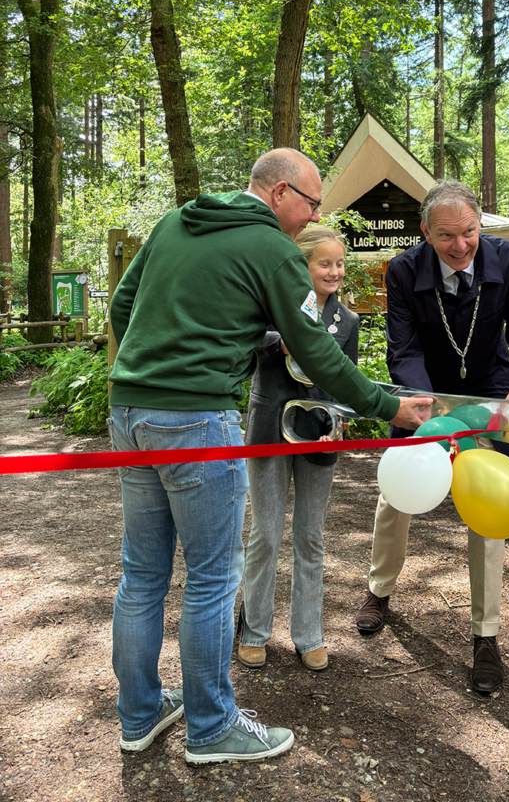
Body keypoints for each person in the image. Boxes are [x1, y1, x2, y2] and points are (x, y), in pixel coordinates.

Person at [108, 148, 431, 766]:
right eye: (311, 202)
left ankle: (141, 713)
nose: (314, 215)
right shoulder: (275, 252)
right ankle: (210, 727)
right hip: (198, 418)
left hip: (130, 410)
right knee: (210, 579)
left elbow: (124, 306)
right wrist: (387, 407)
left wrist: (143, 368)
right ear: (281, 192)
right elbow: (317, 354)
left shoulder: (177, 221)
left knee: (142, 574)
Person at [354, 179, 509, 694]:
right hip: (421, 395)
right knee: (395, 496)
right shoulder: (402, 270)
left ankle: (485, 634)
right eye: (446, 237)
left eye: (470, 232)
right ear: (424, 232)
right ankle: (379, 590)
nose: (460, 246)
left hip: (491, 395)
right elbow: (403, 346)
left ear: (480, 225)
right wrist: (424, 407)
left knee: (486, 505)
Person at [238, 226, 356, 673]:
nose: (334, 271)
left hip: (318, 433)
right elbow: (243, 342)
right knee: (265, 534)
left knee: (311, 536)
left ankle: (309, 635)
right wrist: (276, 340)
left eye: (339, 263)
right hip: (269, 429)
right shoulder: (273, 308)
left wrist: (339, 424)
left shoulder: (349, 323)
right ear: (302, 265)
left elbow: (347, 381)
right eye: (324, 263)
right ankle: (253, 630)